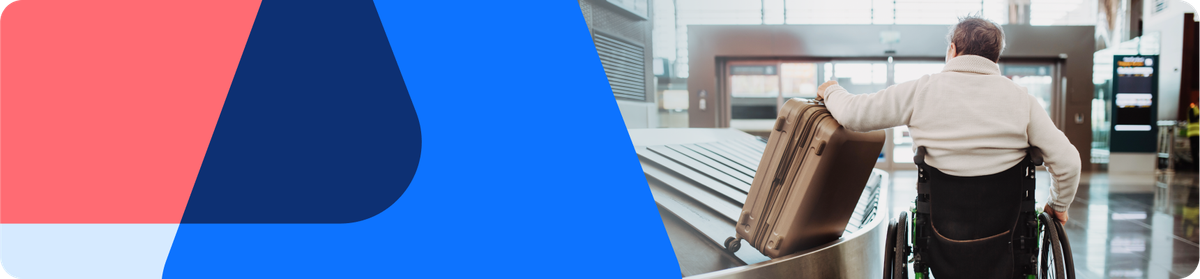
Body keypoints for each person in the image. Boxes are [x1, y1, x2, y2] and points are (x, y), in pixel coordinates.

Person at [815, 15, 1079, 225]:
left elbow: (853, 114)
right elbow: (1067, 162)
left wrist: (831, 90)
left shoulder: (921, 90)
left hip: (942, 233)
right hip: (1007, 236)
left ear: (952, 49)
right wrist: (1057, 206)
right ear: (995, 57)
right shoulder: (1023, 99)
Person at [1188, 102, 1200, 171]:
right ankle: (1196, 168)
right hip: (1194, 134)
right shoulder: (1192, 108)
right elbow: (1192, 119)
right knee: (1195, 152)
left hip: (1198, 134)